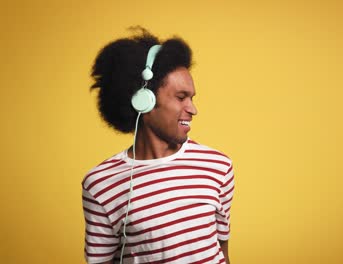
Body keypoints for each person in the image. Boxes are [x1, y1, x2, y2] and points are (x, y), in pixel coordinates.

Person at [81, 27, 235, 264]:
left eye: (192, 99)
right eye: (181, 97)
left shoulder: (218, 166)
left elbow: (222, 249)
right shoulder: (101, 185)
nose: (193, 109)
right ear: (143, 100)